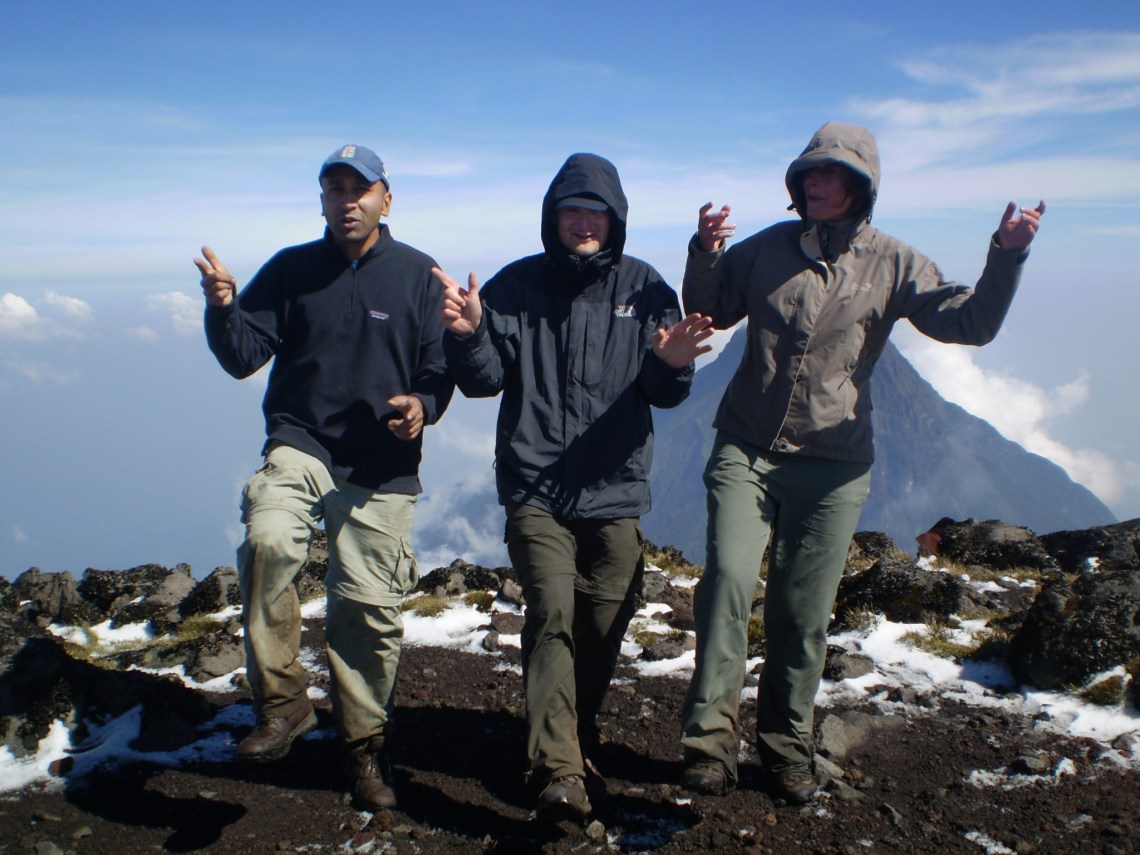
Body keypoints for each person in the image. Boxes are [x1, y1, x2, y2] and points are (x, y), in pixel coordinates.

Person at [679, 122, 1045, 805]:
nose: (817, 182)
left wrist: (1008, 255)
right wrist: (706, 251)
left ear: (861, 186)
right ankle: (707, 746)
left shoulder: (894, 262)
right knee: (727, 582)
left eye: (833, 173)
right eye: (810, 173)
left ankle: (786, 749)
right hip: (746, 449)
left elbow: (970, 324)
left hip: (834, 466)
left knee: (802, 612)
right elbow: (708, 309)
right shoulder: (767, 248)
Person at [434, 153, 713, 821]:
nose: (583, 223)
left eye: (596, 213)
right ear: (552, 218)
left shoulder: (646, 287)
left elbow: (663, 392)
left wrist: (672, 365)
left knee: (606, 615)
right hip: (536, 486)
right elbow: (485, 380)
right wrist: (469, 334)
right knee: (553, 610)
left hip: (614, 488)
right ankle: (557, 768)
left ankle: (573, 730)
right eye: (572, 211)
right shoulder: (516, 286)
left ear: (615, 220)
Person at [194, 144, 453, 811]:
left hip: (382, 464)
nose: (347, 201)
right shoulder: (291, 269)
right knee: (268, 540)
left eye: (359, 189)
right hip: (300, 443)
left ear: (386, 199)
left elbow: (438, 368)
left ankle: (364, 745)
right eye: (334, 189)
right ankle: (283, 704)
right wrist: (223, 308)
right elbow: (243, 356)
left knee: (368, 612)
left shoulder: (419, 275)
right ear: (322, 201)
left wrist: (421, 405)